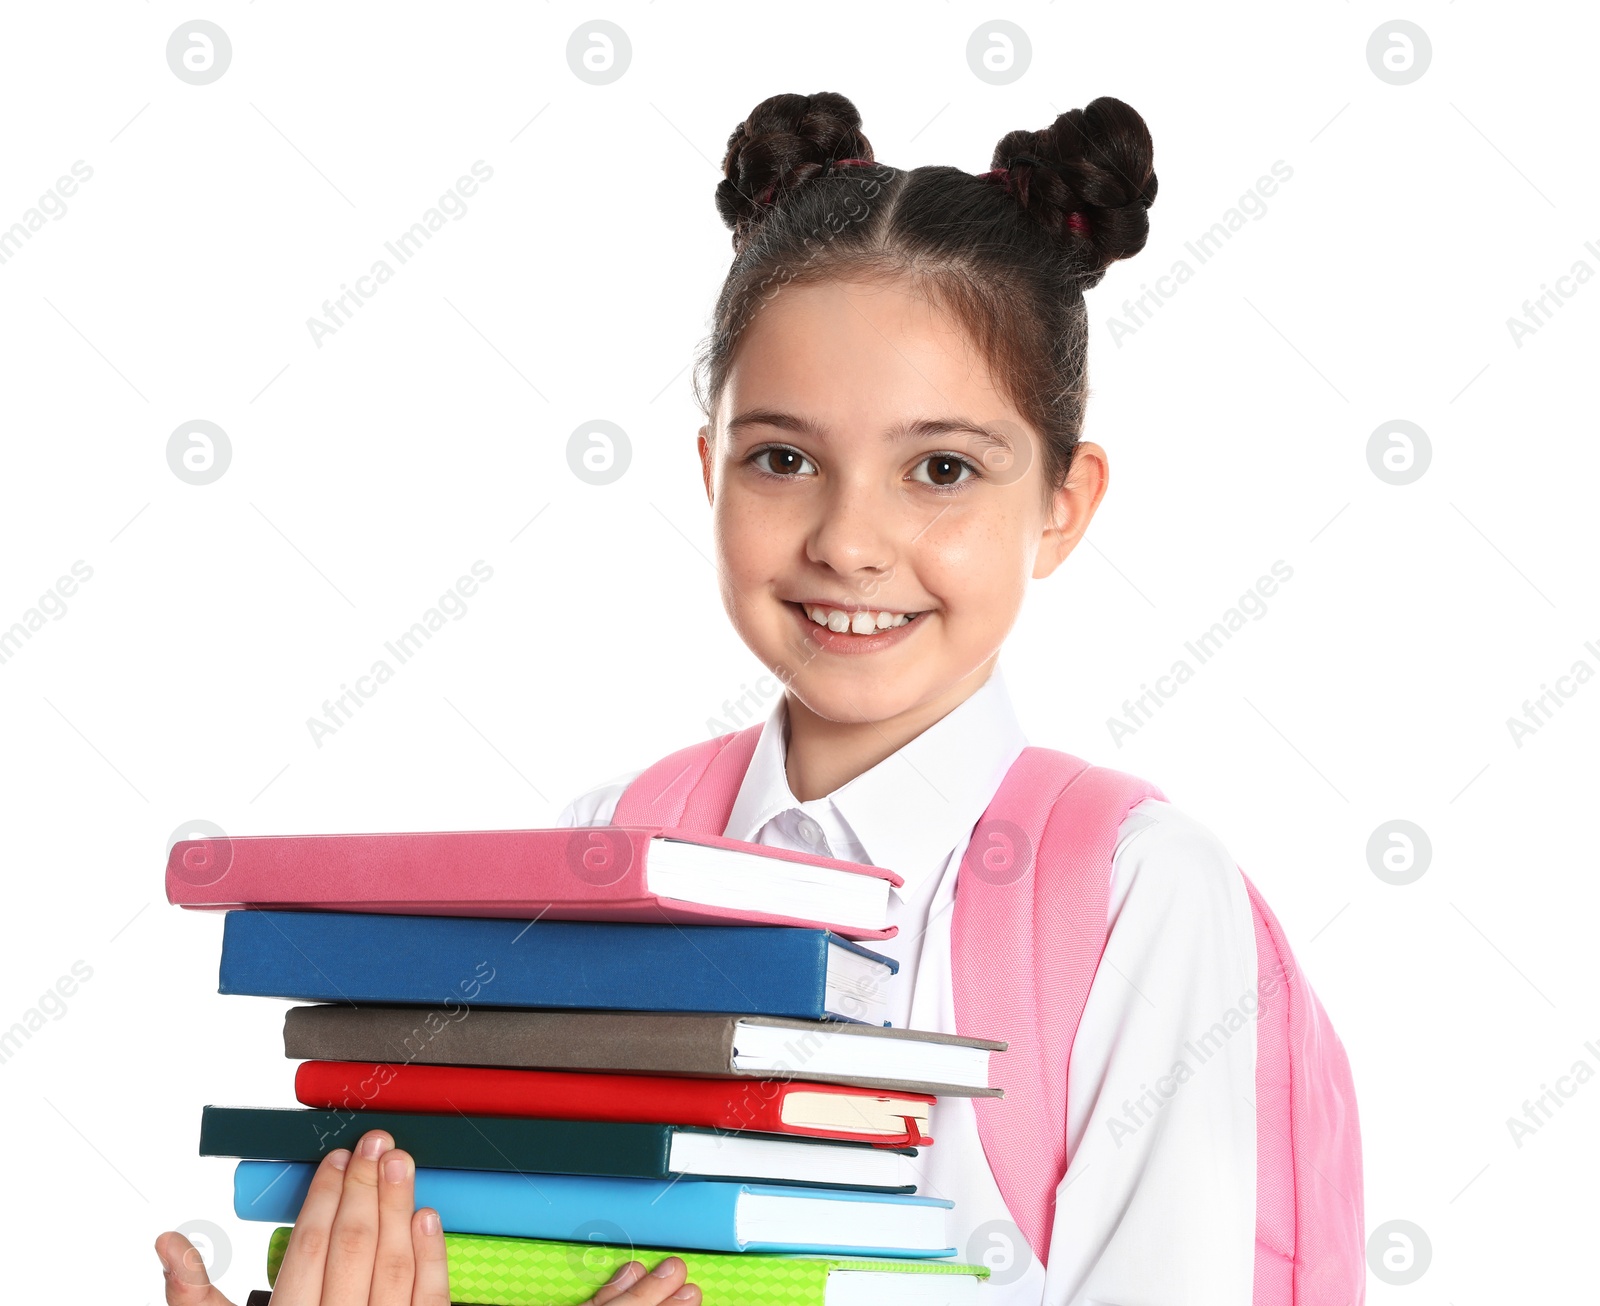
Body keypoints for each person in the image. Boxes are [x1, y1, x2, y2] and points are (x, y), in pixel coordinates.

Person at [158, 88, 1271, 1306]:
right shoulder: (606, 844)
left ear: (1063, 504)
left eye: (941, 468)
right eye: (783, 459)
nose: (850, 541)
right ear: (710, 468)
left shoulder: (1133, 893)